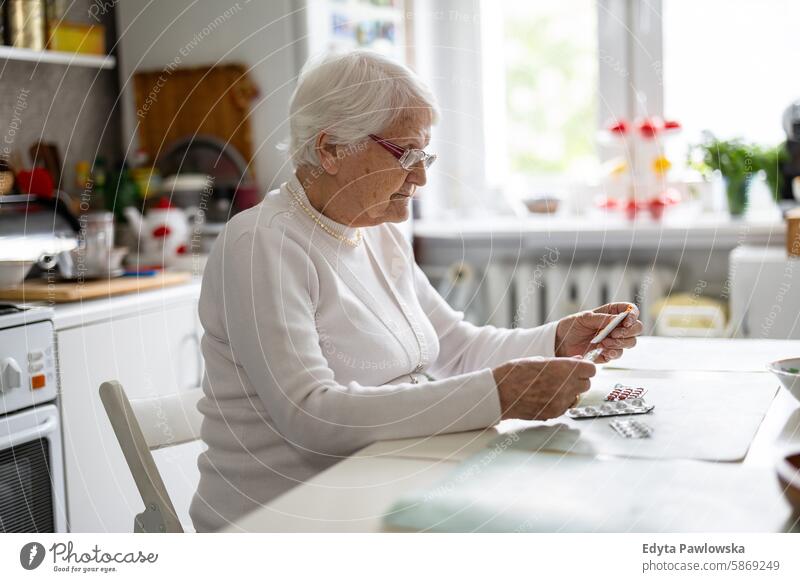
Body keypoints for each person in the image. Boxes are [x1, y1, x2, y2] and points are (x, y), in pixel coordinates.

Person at [189, 50, 642, 532]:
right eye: (406, 154)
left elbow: (455, 347)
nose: (422, 176)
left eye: (425, 156)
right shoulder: (261, 242)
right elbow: (311, 415)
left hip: (379, 484)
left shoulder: (376, 231)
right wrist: (497, 395)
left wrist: (557, 340)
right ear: (330, 149)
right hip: (280, 524)